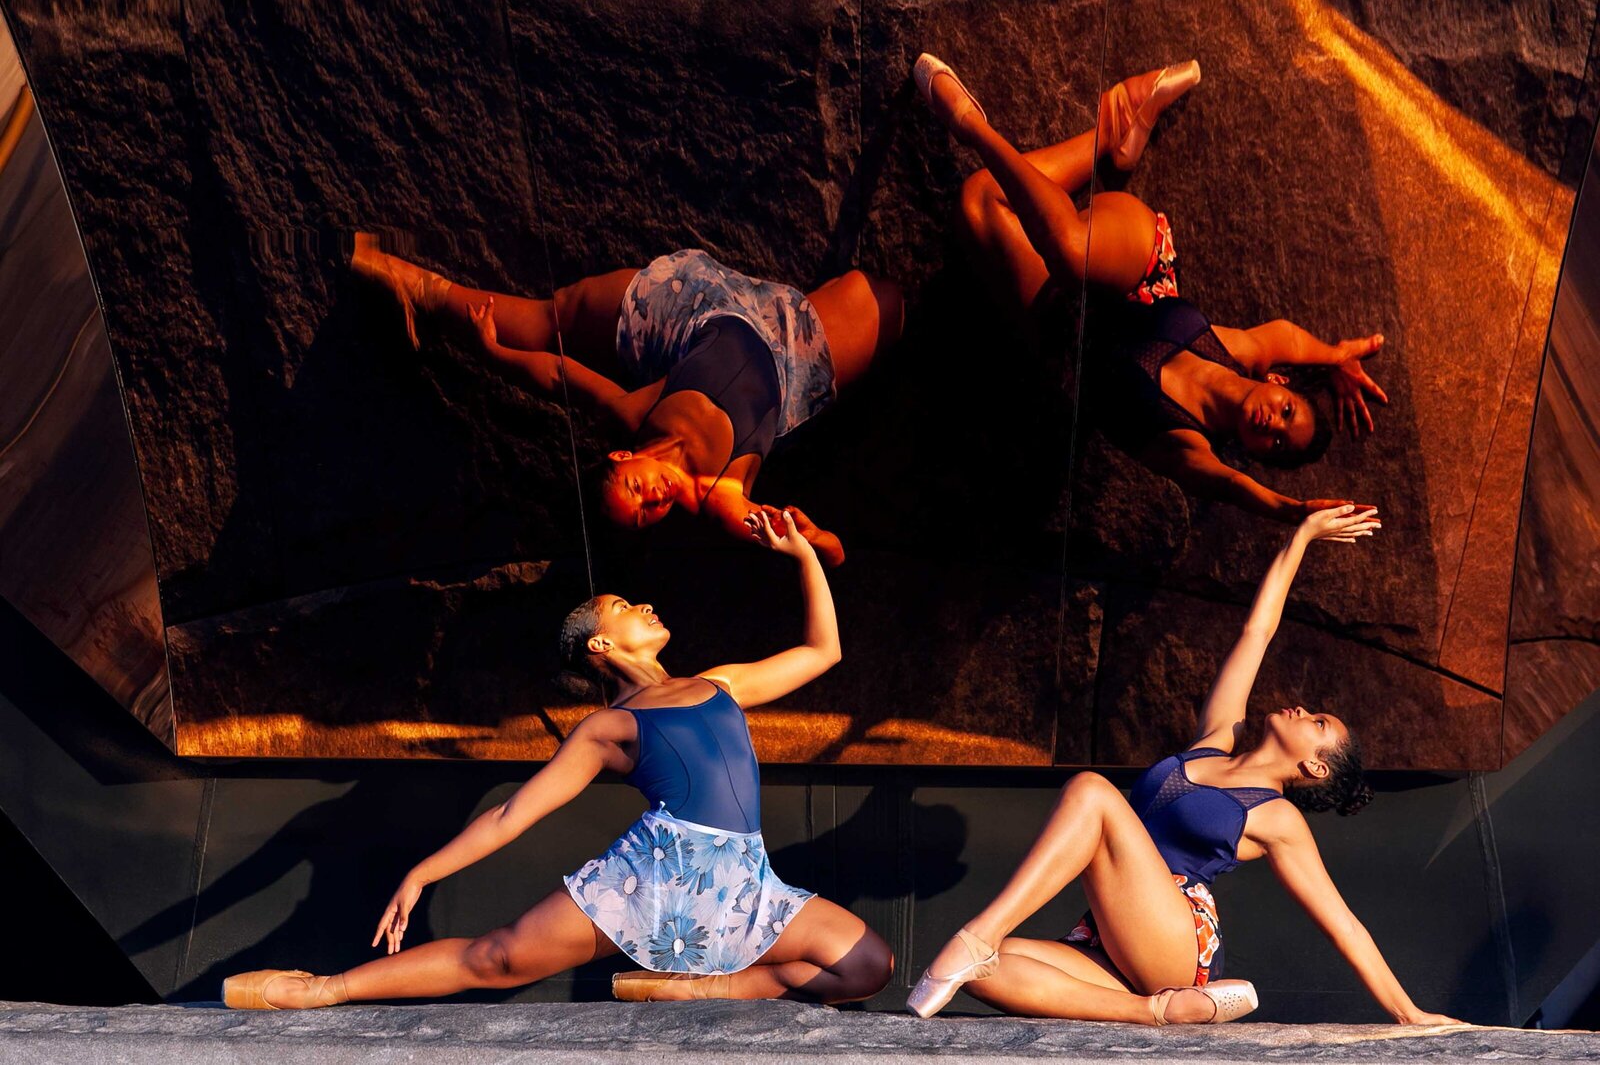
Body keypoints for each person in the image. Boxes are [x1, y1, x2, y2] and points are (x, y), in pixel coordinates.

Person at [221, 509, 893, 1009]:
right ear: (599, 645)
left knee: (869, 965)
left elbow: (821, 652)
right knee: (499, 957)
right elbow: (513, 813)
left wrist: (803, 555)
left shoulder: (720, 684)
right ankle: (320, 990)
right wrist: (422, 873)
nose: (646, 605)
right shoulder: (608, 727)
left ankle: (698, 989)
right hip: (653, 876)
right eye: (625, 606)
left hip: (744, 882)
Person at [906, 503, 1461, 1027]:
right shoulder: (1219, 737)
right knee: (989, 972)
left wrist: (1409, 1013)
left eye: (1318, 723)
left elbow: (1343, 924)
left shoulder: (1276, 820)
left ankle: (977, 936)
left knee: (1093, 792)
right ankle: (1158, 1013)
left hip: (1177, 940)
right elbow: (1257, 631)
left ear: (1314, 769)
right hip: (1115, 937)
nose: (1303, 709)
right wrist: (1300, 539)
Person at [914, 54, 1390, 523]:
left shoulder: (1189, 444)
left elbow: (1227, 485)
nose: (1274, 424)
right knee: (1069, 249)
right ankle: (972, 125)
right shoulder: (1244, 352)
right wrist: (1333, 357)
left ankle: (1114, 126)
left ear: (1256, 453)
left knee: (979, 201)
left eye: (1278, 443)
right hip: (1138, 264)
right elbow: (1287, 336)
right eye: (1287, 412)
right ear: (1278, 383)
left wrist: (1292, 511)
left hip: (1064, 316)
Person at [353, 237, 904, 564]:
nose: (653, 502)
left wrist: (493, 352)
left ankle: (417, 286)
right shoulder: (718, 497)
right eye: (646, 518)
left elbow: (558, 374)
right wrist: (817, 541)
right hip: (787, 351)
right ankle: (413, 291)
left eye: (635, 492)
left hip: (694, 307)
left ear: (623, 458)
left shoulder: (634, 413)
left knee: (556, 316)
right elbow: (811, 547)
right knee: (889, 300)